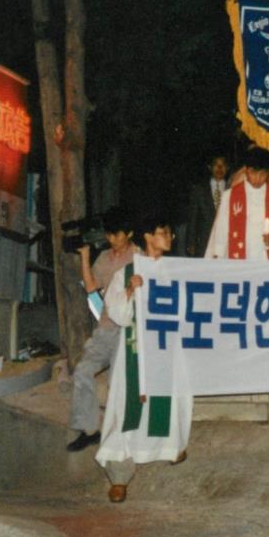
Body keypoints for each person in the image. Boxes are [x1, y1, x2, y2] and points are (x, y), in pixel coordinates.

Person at [94, 212, 192, 503]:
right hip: (134, 351)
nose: (170, 238)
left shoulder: (178, 271)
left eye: (171, 233)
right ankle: (120, 474)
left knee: (170, 399)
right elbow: (118, 315)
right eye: (164, 232)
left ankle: (170, 446)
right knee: (127, 408)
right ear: (148, 236)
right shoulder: (127, 273)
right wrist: (129, 291)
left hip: (168, 349)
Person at [67, 208, 136, 452]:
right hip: (105, 327)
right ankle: (89, 430)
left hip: (127, 329)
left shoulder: (138, 257)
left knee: (117, 379)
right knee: (83, 371)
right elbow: (91, 287)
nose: (111, 239)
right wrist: (85, 257)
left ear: (128, 233)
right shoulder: (104, 257)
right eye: (109, 235)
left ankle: (120, 432)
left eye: (116, 235)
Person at [204, 146, 269, 261]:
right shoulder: (230, 196)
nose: (257, 179)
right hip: (237, 258)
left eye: (263, 174)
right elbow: (220, 230)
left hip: (265, 258)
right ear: (246, 170)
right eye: (253, 173)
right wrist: (216, 256)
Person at [184, 155, 228, 257]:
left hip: (225, 242)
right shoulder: (199, 189)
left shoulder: (231, 188)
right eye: (216, 165)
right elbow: (193, 217)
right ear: (210, 167)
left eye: (223, 165)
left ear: (228, 167)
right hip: (204, 242)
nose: (220, 168)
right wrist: (191, 243)